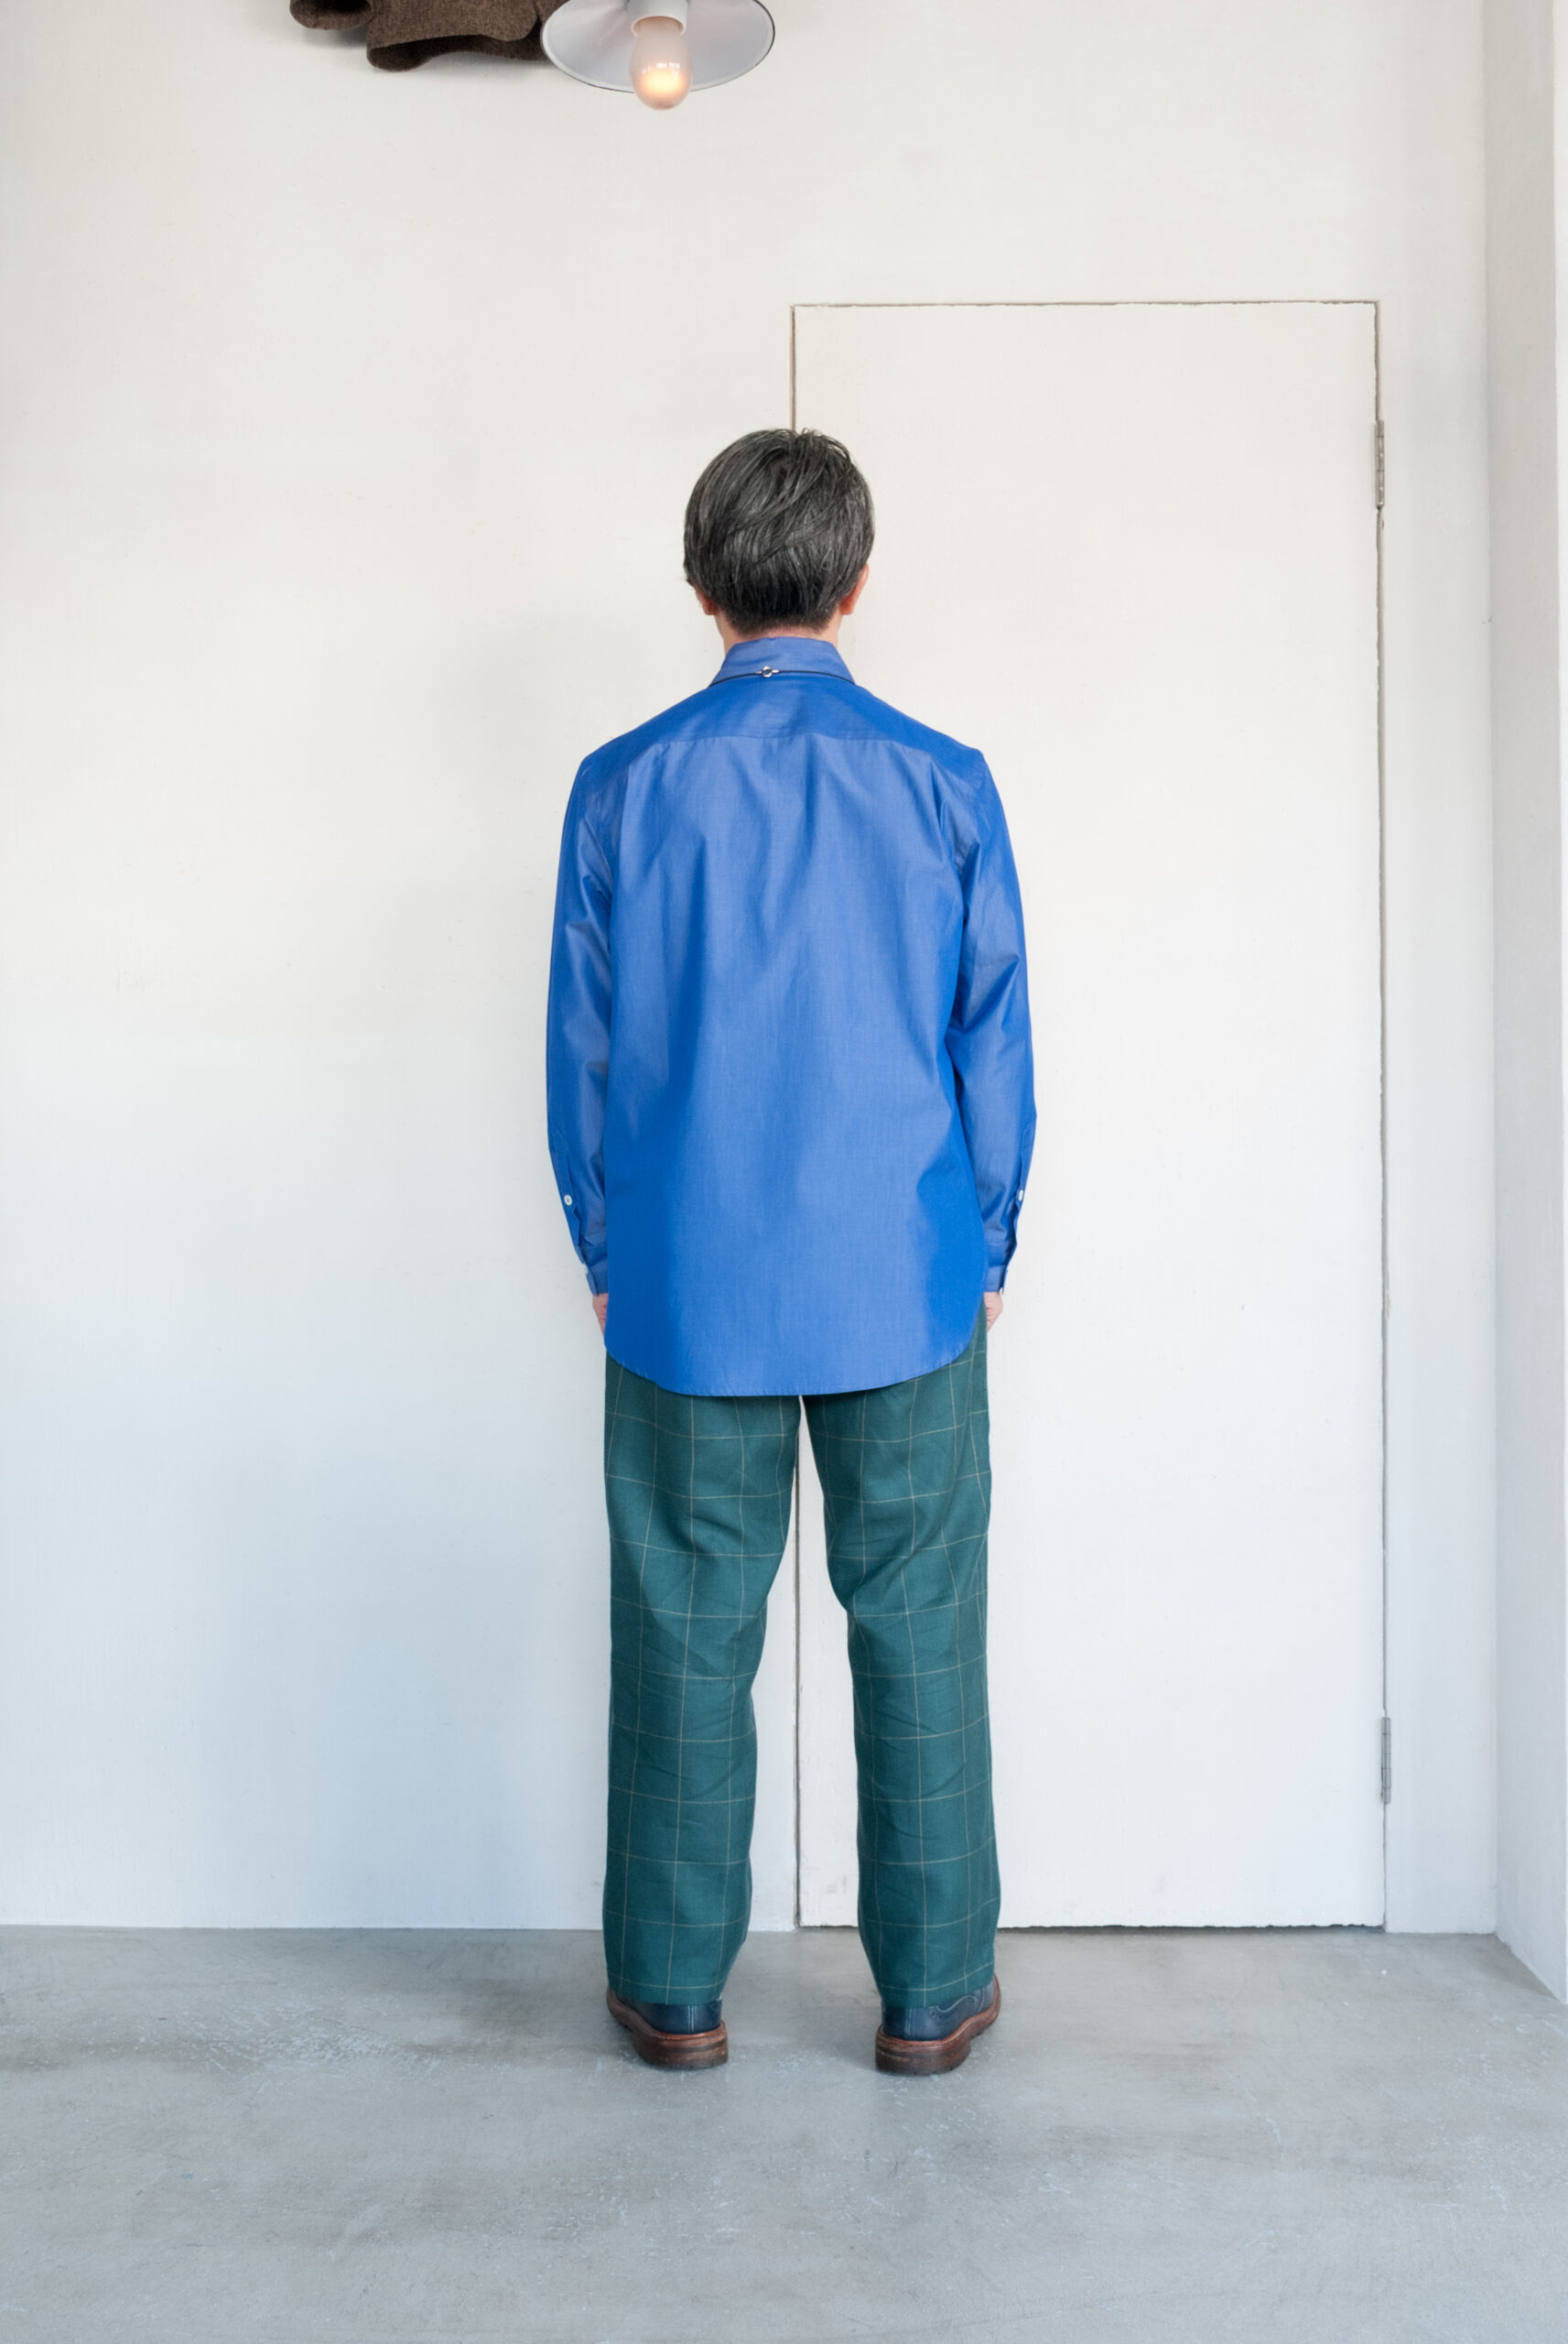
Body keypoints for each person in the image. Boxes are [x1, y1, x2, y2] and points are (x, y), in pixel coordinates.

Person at [546, 429, 1034, 2075]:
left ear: (701, 587)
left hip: (686, 1283)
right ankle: (931, 1995)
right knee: (921, 1621)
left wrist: (602, 1239)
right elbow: (989, 1035)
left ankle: (673, 1993)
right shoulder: (943, 780)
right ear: (855, 582)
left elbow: (584, 1045)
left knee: (682, 1623)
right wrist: (985, 1241)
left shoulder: (622, 784)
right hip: (903, 1276)